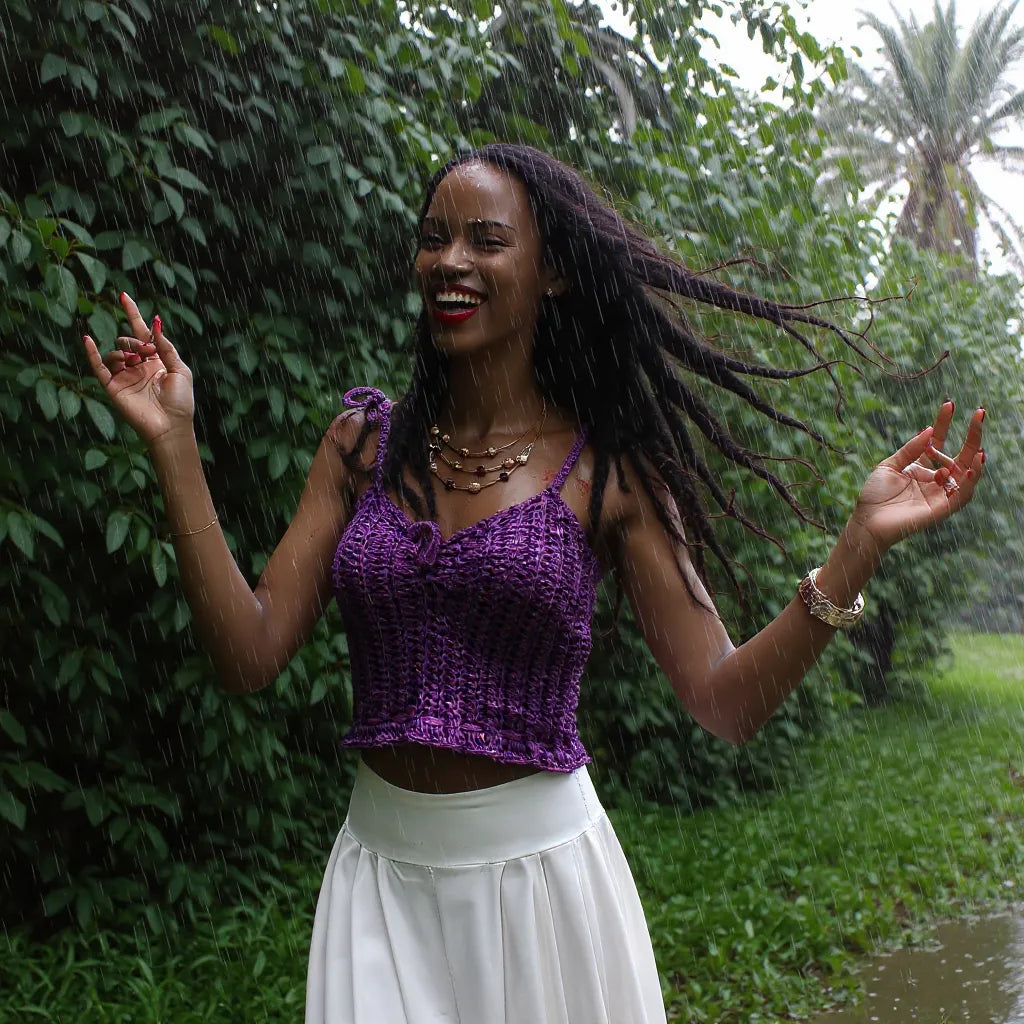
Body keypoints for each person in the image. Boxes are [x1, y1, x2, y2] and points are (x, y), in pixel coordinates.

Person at [82, 143, 986, 1024]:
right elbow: (247, 655)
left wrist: (856, 547)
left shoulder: (609, 472)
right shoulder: (360, 447)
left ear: (551, 271)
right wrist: (174, 445)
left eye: (486, 239)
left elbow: (725, 701)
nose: (450, 261)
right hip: (378, 885)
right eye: (434, 238)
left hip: (541, 893)